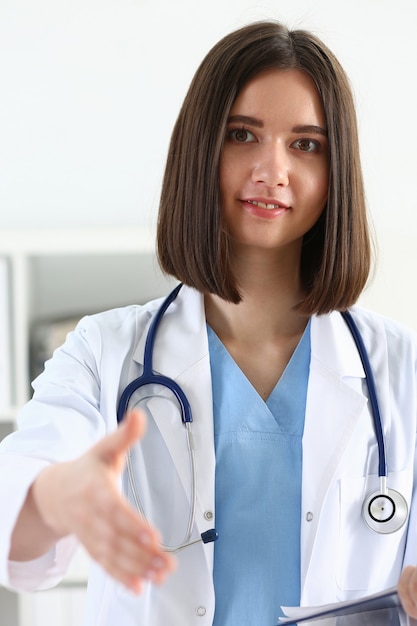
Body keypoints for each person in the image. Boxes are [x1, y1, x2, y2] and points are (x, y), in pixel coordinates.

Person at [1, 19, 417, 626]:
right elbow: (19, 503)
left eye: (306, 144)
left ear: (336, 173)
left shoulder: (400, 370)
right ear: (201, 149)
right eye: (242, 135)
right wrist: (60, 497)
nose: (271, 169)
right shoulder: (103, 354)